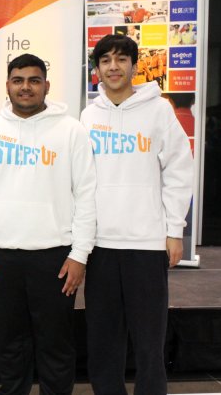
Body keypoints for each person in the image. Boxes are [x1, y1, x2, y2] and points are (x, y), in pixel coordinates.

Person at [0, 53, 97, 395]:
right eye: (18, 80)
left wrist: (80, 254)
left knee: (56, 344)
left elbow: (87, 195)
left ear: (46, 86)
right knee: (9, 343)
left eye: (34, 81)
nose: (26, 87)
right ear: (7, 86)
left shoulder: (71, 131)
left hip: (55, 257)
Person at [81, 34, 193, 395]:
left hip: (146, 244)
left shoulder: (158, 110)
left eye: (121, 59)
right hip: (99, 245)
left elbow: (179, 169)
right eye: (106, 60)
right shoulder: (87, 115)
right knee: (103, 343)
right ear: (96, 69)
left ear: (133, 65)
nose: (113, 67)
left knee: (149, 343)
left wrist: (174, 230)